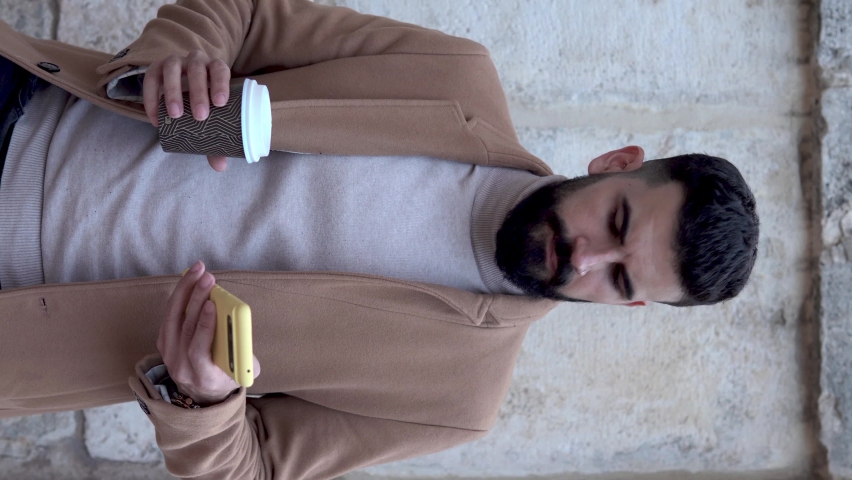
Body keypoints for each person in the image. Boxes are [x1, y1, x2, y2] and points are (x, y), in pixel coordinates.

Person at [0, 0, 759, 478]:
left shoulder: (458, 396)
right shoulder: (456, 78)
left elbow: (251, 468)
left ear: (631, 307)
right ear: (617, 164)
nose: (587, 258)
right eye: (617, 221)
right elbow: (246, 14)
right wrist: (190, 49)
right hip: (26, 103)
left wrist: (205, 401)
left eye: (619, 278)